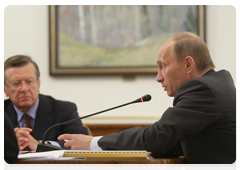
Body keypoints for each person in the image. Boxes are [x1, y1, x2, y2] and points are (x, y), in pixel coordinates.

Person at [58, 32, 238, 170]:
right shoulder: (215, 86)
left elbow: (157, 137)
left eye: (163, 66)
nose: (158, 78)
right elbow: (167, 144)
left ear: (188, 64)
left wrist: (93, 143)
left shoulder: (203, 90)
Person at [4, 55, 88, 151]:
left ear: (38, 84)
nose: (24, 89)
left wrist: (39, 145)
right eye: (16, 83)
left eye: (29, 81)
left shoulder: (64, 110)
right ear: (5, 89)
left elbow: (81, 145)